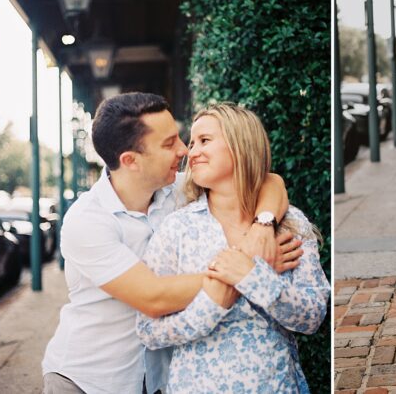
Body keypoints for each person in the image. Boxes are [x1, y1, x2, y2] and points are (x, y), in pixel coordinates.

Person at [42, 92, 302, 394]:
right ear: (131, 161)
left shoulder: (181, 190)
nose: (184, 150)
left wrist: (264, 223)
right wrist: (250, 266)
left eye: (180, 138)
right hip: (89, 380)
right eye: (169, 144)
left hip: (159, 380)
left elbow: (270, 181)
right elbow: (155, 297)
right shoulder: (87, 221)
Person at [135, 103, 330, 393]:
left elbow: (313, 316)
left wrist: (255, 277)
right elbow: (148, 331)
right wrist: (213, 304)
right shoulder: (177, 229)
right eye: (192, 142)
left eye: (205, 140)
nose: (192, 151)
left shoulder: (290, 224)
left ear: (241, 145)